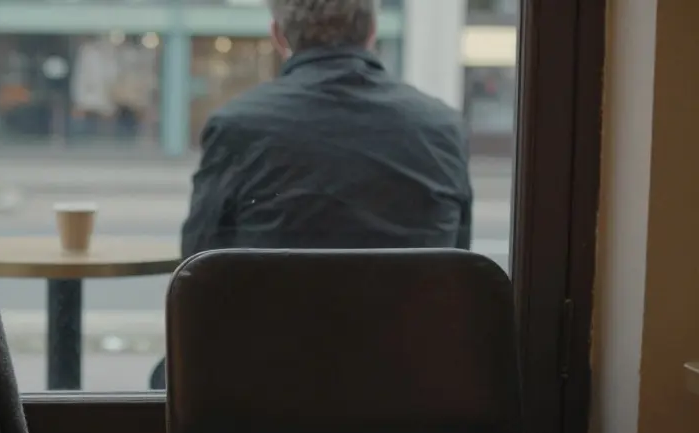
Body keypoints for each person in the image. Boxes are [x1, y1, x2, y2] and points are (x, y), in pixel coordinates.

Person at [152, 0, 472, 389]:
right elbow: (457, 265)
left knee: (165, 376)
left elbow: (198, 267)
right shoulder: (442, 128)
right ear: (372, 31)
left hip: (268, 387)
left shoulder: (239, 126)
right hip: (411, 385)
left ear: (278, 34)